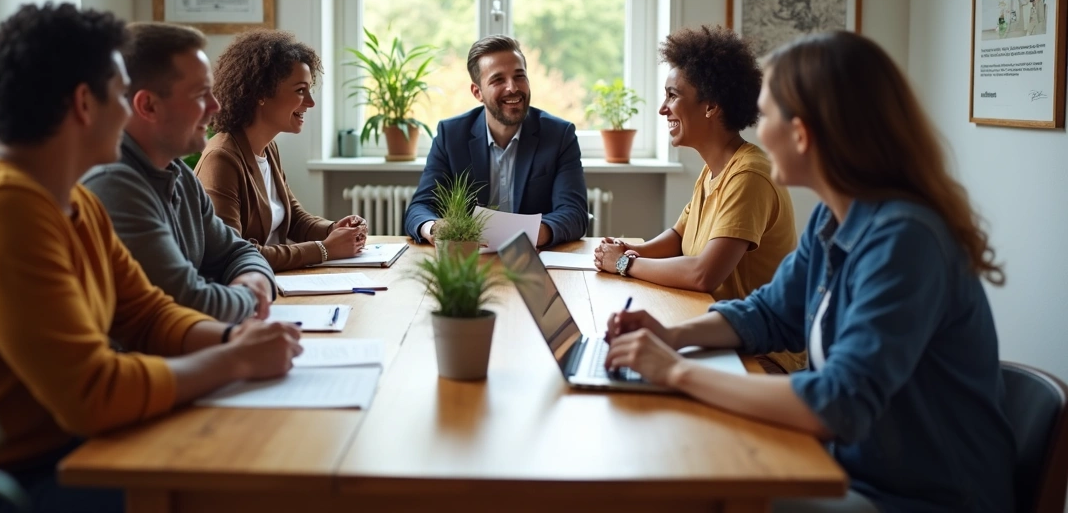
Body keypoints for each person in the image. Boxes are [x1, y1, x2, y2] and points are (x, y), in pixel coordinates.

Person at [0, 3, 303, 513]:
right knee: (243, 487)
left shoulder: (72, 199)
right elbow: (93, 395)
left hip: (53, 452)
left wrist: (230, 338)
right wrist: (236, 358)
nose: (128, 112)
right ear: (86, 104)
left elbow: (148, 314)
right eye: (119, 94)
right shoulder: (3, 208)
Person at [604, 31, 1016, 513]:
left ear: (801, 134)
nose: (758, 129)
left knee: (687, 493)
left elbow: (838, 402)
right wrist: (671, 336)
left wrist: (676, 371)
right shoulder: (833, 217)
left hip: (918, 498)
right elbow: (769, 313)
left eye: (767, 114)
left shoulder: (906, 240)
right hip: (853, 469)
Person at [594, 26, 801, 373]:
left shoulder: (749, 175)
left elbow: (704, 274)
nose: (663, 109)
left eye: (673, 96)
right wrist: (629, 250)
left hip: (763, 355)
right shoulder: (713, 170)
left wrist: (625, 264)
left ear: (711, 106)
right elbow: (679, 238)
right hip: (721, 336)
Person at [82, 22, 276, 323]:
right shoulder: (114, 186)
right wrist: (251, 294)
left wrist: (251, 278)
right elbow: (189, 303)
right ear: (148, 106)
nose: (215, 106)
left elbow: (238, 252)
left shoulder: (179, 174)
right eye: (200, 95)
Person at [194, 28, 367, 271]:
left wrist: (334, 229)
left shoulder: (268, 148)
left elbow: (294, 219)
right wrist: (324, 249)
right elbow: (231, 254)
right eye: (300, 90)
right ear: (261, 93)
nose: (310, 102)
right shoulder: (221, 159)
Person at [404, 35, 588, 247]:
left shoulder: (559, 135)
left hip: (533, 257)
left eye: (519, 76)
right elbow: (419, 209)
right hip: (469, 258)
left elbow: (574, 213)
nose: (513, 88)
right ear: (477, 92)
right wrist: (434, 228)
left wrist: (530, 234)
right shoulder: (451, 135)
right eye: (498, 80)